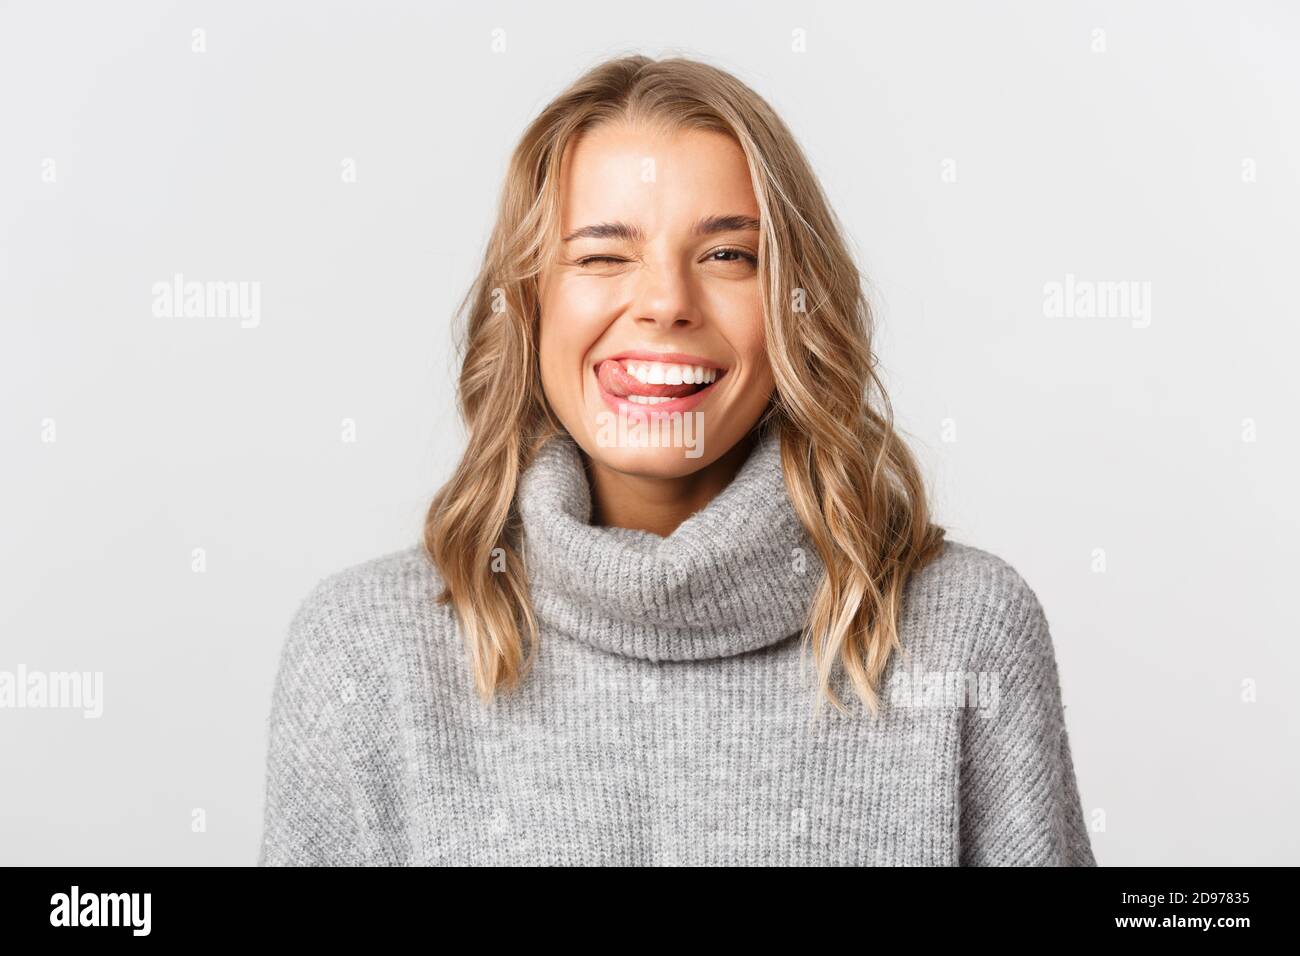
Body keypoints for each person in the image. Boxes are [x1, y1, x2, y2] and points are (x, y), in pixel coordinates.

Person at [257, 54, 1096, 866]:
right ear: (530, 305)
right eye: (602, 255)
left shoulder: (967, 632)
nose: (664, 303)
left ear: (795, 310)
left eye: (728, 254)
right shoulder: (363, 653)